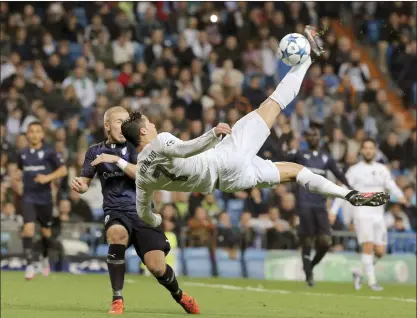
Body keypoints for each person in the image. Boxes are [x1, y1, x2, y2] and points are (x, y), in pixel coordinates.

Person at [117, 28, 388, 228]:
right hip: (225, 157)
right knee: (272, 104)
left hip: (229, 182)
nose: (152, 124)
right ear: (143, 133)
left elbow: (145, 214)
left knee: (295, 172)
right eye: (148, 124)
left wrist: (157, 218)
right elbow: (186, 149)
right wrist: (212, 135)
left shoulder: (141, 177)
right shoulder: (161, 141)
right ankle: (307, 60)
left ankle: (348, 194)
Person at [70, 106, 199, 315]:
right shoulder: (95, 151)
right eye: (119, 122)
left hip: (143, 211)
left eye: (126, 121)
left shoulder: (137, 147)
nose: (123, 126)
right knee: (116, 234)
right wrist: (80, 185)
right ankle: (117, 299)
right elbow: (85, 182)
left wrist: (117, 161)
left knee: (157, 267)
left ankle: (180, 295)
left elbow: (142, 174)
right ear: (107, 125)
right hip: (116, 211)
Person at [332, 138, 406, 291]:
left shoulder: (382, 169)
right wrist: (333, 211)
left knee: (380, 252)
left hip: (378, 214)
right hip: (362, 212)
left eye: (371, 148)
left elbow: (390, 185)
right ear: (361, 151)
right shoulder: (354, 170)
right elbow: (342, 189)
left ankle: (359, 273)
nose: (368, 151)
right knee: (368, 246)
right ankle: (372, 282)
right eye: (365, 148)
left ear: (375, 150)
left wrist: (400, 195)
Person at [286, 126, 352, 287]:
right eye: (309, 135)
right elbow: (284, 161)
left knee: (325, 242)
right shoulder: (300, 155)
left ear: (320, 137)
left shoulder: (326, 157)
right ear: (306, 139)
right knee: (307, 241)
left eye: (315, 135)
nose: (313, 137)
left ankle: (310, 266)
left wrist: (351, 190)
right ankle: (309, 275)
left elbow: (338, 174)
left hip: (320, 205)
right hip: (304, 204)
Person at [17, 121, 68, 280]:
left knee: (46, 233)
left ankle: (45, 259)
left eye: (38, 131)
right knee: (28, 230)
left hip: (45, 199)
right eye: (31, 131)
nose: (34, 134)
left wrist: (47, 178)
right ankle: (30, 265)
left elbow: (63, 170)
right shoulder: (22, 153)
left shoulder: (49, 152)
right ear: (27, 134)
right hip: (28, 197)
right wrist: (17, 181)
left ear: (42, 134)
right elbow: (19, 172)